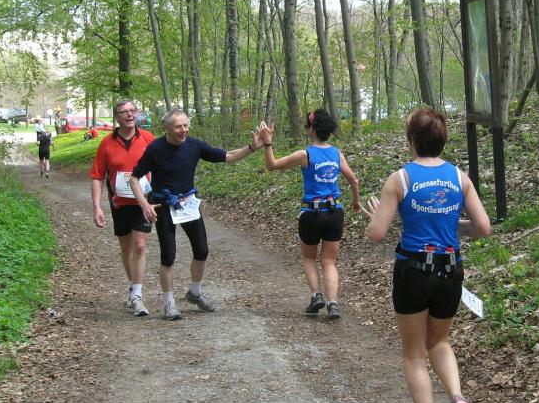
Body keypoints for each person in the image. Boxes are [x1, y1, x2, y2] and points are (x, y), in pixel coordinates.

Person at [361, 107, 492, 403]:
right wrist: (451, 224)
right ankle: (458, 399)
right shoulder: (460, 178)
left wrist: (375, 217)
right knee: (440, 342)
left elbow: (376, 234)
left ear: (411, 140)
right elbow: (483, 227)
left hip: (414, 270)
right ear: (442, 140)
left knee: (414, 352)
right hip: (450, 270)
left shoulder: (400, 179)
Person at [129, 108, 263, 320]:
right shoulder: (155, 148)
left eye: (186, 125)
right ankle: (169, 304)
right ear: (167, 128)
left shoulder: (195, 145)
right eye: (178, 127)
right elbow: (134, 178)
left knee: (202, 250)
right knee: (168, 256)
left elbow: (227, 156)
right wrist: (145, 204)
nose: (184, 130)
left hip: (188, 204)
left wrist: (252, 147)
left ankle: (195, 292)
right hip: (164, 204)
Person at [258, 110, 360, 319]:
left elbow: (272, 165)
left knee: (309, 258)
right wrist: (356, 202)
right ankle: (333, 304)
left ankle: (316, 296)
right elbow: (353, 180)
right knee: (329, 262)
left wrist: (268, 143)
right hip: (335, 212)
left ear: (311, 130)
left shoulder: (305, 154)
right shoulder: (337, 154)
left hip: (311, 214)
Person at [90, 99, 156, 316]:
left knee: (140, 246)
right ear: (116, 117)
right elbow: (97, 176)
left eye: (132, 111)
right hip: (119, 203)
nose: (129, 115)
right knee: (126, 248)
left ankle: (137, 295)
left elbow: (162, 166)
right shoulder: (106, 143)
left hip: (143, 203)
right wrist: (97, 207)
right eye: (124, 112)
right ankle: (132, 285)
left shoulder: (148, 139)